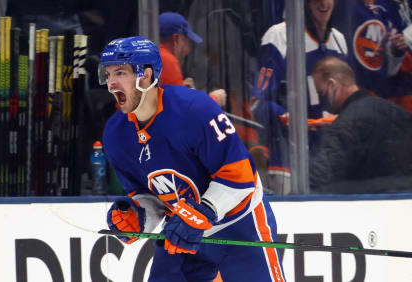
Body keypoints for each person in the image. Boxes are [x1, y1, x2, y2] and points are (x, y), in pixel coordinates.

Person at [99, 36, 285, 281]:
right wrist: (138, 219)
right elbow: (150, 195)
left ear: (145, 74)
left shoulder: (194, 109)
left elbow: (240, 176)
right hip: (183, 233)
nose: (111, 83)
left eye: (120, 73)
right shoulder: (116, 136)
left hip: (239, 224)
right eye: (108, 74)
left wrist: (202, 213)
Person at [250, 0, 348, 194]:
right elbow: (257, 104)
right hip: (288, 158)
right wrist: (290, 119)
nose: (323, 3)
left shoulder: (339, 40)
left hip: (332, 155)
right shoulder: (279, 36)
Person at [310, 56, 412, 193]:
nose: (322, 101)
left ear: (332, 85)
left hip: (365, 207)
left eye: (321, 93)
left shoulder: (347, 122)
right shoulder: (398, 112)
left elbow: (321, 178)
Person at [159, 12, 227, 108]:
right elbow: (184, 110)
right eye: (186, 41)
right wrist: (214, 99)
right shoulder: (166, 59)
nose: (188, 50)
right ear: (176, 39)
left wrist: (183, 88)